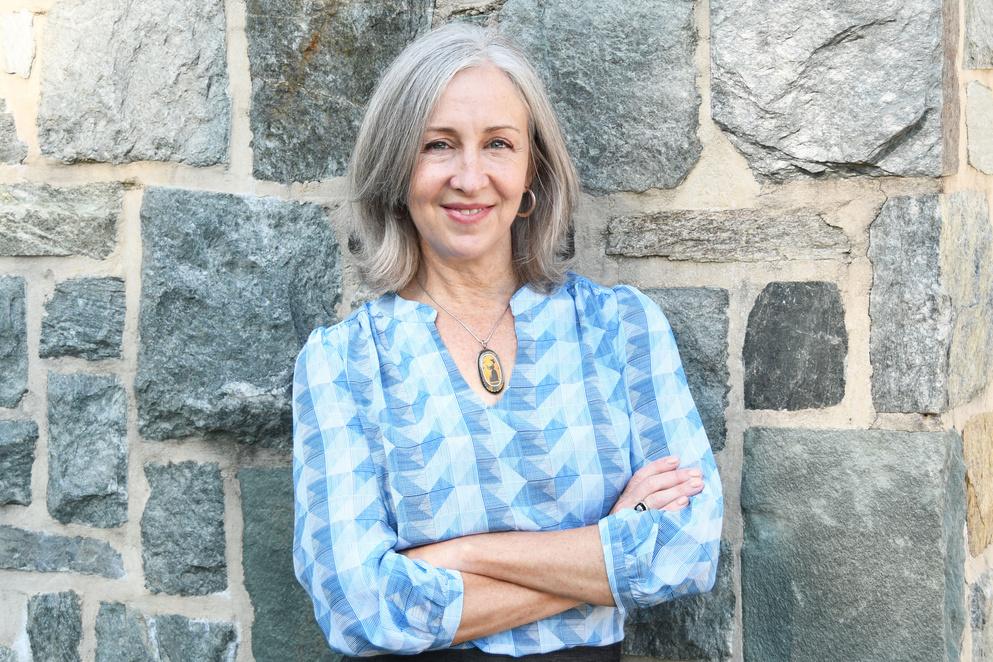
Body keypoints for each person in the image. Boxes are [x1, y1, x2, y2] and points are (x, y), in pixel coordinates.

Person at [292, 22, 723, 661]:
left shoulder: (620, 329)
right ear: (397, 167)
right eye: (438, 145)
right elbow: (360, 607)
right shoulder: (344, 363)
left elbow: (688, 547)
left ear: (531, 169)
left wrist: (462, 555)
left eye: (498, 144)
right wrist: (609, 544)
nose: (470, 178)